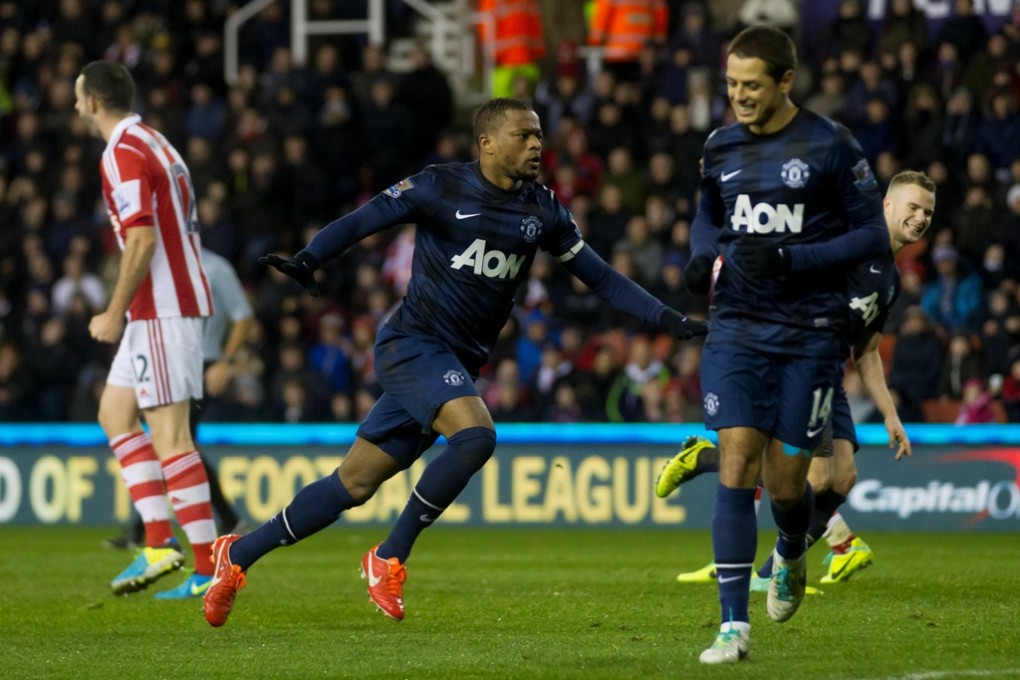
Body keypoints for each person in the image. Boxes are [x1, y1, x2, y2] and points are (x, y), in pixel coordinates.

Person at [201, 97, 707, 627]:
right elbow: (364, 220)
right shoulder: (440, 186)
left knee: (352, 484)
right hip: (412, 343)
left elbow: (601, 277)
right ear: (487, 143)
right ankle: (389, 555)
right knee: (476, 436)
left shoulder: (544, 210)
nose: (536, 145)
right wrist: (310, 259)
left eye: (539, 135)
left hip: (455, 364)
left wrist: (669, 319)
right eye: (523, 135)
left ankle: (236, 557)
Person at [676, 26, 889, 664]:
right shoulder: (719, 146)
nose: (738, 96)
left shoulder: (830, 146)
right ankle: (732, 628)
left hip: (810, 334)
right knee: (737, 461)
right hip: (736, 323)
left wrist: (794, 257)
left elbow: (872, 236)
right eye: (731, 84)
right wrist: (699, 254)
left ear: (786, 82)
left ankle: (793, 547)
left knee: (786, 477)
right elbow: (708, 214)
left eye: (751, 85)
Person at [659, 170, 934, 587]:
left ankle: (770, 569)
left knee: (841, 480)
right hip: (796, 360)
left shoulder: (890, 281)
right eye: (913, 207)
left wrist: (891, 416)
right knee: (814, 477)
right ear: (887, 206)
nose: (920, 217)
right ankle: (772, 563)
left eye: (928, 211)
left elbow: (867, 351)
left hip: (827, 373)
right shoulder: (847, 244)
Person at [74, 60, 218, 599]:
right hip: (161, 308)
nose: (73, 107)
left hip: (163, 307)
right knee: (114, 412)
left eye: (76, 98)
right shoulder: (157, 141)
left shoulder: (122, 152)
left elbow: (141, 239)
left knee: (171, 437)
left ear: (92, 102)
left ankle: (208, 569)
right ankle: (159, 541)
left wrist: (113, 311)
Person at [104, 245, 253, 550]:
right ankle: (223, 519)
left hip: (203, 363)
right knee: (176, 442)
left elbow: (243, 316)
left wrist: (226, 360)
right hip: (169, 358)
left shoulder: (215, 267)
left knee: (171, 441)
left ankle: (149, 532)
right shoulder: (163, 265)